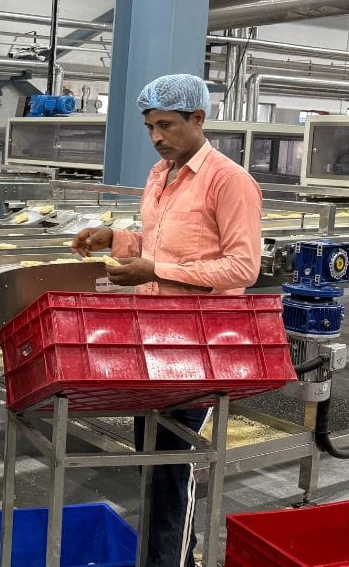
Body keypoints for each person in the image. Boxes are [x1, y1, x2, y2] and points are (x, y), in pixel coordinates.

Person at [72, 73, 262, 567]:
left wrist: (155, 270)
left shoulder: (229, 180)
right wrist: (113, 237)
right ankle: (168, 553)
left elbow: (244, 267)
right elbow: (156, 245)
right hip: (152, 334)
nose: (156, 137)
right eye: (149, 127)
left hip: (200, 344)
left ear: (198, 119)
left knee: (171, 466)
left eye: (166, 125)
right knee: (151, 457)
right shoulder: (161, 175)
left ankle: (170, 559)